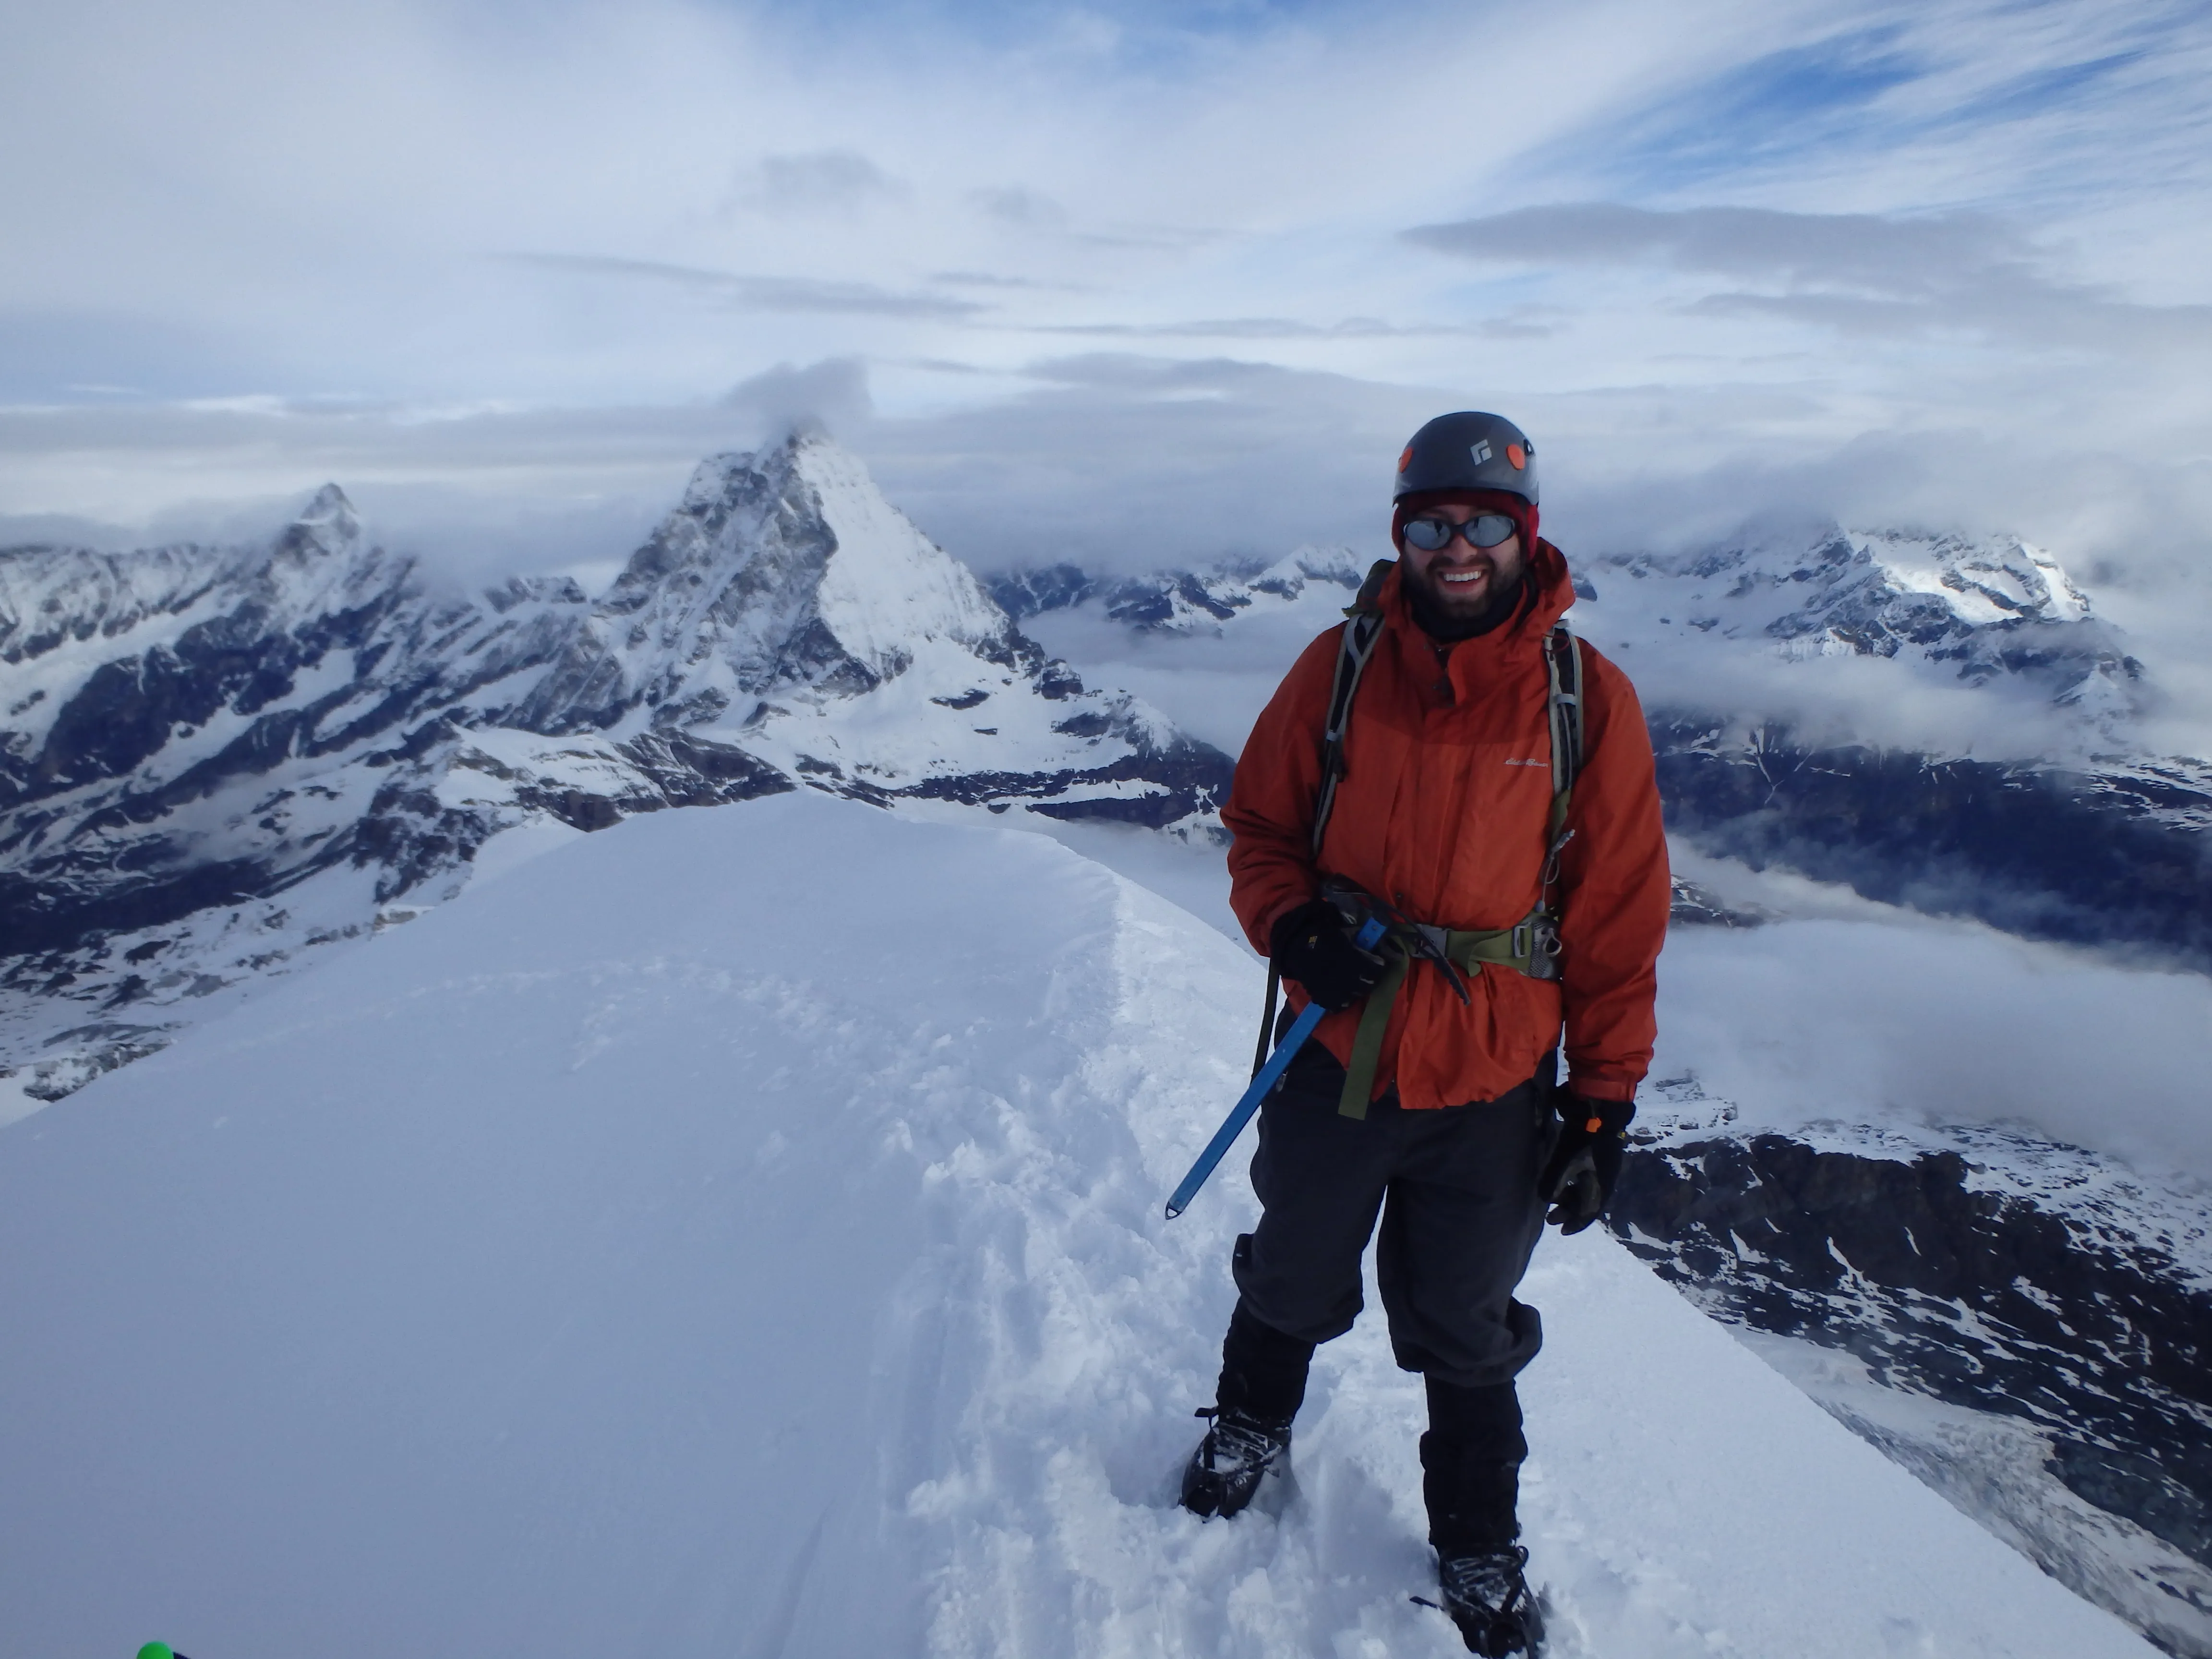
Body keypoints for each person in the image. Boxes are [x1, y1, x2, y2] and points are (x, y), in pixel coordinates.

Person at [1179, 412, 1670, 1657]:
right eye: (1435, 524)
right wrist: (1292, 930)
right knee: (1293, 1267)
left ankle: (1477, 1544)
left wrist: (1602, 1103)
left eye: (1487, 523)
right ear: (1403, 535)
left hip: (1494, 1079)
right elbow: (1260, 827)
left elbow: (1616, 915)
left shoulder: (1585, 703)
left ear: (1528, 534)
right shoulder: (1340, 666)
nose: (1462, 547)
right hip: (1337, 1050)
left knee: (1465, 1323)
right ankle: (1249, 1423)